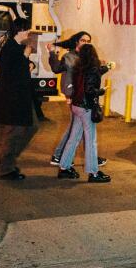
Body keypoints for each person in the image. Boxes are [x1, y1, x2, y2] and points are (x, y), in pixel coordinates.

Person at [47, 31, 106, 168]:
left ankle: (61, 158)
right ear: (76, 42)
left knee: (75, 131)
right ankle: (62, 156)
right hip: (76, 97)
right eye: (83, 40)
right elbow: (56, 69)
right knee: (81, 132)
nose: (86, 43)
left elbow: (90, 75)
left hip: (80, 98)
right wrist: (51, 53)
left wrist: (102, 67)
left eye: (88, 41)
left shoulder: (86, 58)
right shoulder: (69, 57)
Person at [57, 43, 112, 183]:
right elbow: (90, 88)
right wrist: (102, 91)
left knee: (73, 138)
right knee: (91, 141)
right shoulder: (92, 69)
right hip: (86, 108)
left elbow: (96, 73)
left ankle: (64, 168)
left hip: (76, 106)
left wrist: (108, 67)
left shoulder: (78, 67)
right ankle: (93, 173)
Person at [0, 18, 40, 180]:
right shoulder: (9, 48)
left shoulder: (17, 48)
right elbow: (12, 71)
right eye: (27, 30)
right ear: (20, 31)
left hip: (22, 96)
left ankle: (7, 156)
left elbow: (24, 66)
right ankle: (6, 166)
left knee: (32, 126)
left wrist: (30, 63)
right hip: (12, 97)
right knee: (14, 131)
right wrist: (26, 54)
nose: (29, 33)